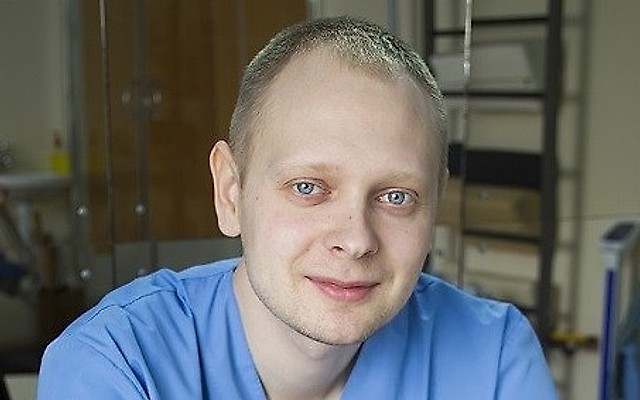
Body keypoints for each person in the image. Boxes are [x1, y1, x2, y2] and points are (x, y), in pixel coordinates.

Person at [37, 16, 557, 399]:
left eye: (396, 196)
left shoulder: (492, 355)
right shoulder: (117, 364)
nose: (355, 240)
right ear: (230, 192)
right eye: (309, 187)